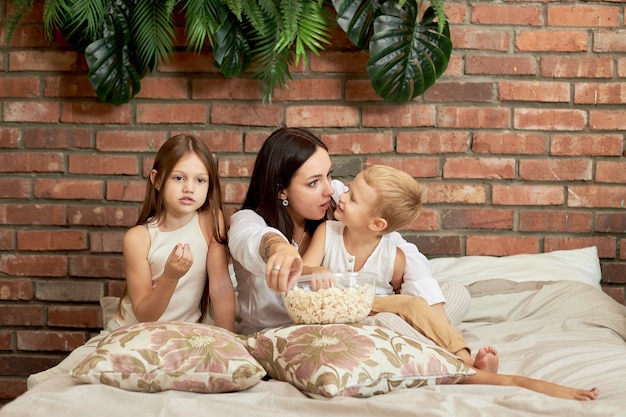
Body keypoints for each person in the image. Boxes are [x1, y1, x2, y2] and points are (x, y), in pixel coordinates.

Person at [300, 164, 598, 401]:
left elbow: (412, 294)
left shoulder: (396, 257)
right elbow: (304, 269)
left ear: (377, 224)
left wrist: (425, 315)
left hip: (387, 308)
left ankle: (444, 349)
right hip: (356, 316)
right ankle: (461, 361)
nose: (342, 195)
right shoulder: (328, 232)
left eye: (352, 197)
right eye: (348, 191)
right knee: (394, 319)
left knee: (455, 292)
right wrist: (316, 270)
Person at [228, 127, 457, 334]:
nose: (329, 189)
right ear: (281, 191)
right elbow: (255, 240)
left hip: (347, 317)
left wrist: (436, 312)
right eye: (313, 182)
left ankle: (425, 333)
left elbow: (395, 244)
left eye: (329, 174)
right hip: (288, 334)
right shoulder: (247, 221)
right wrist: (280, 250)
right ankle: (424, 338)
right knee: (394, 320)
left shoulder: (334, 199)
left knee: (454, 293)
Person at [113, 134, 236, 332]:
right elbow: (145, 316)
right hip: (140, 331)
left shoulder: (211, 221)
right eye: (178, 178)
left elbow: (220, 287)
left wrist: (229, 341)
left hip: (186, 332)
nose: (189, 188)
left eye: (200, 180)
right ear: (157, 180)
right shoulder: (138, 239)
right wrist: (170, 277)